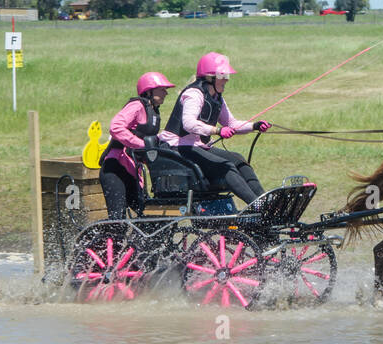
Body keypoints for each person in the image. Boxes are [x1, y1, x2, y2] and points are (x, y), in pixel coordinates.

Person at [158, 52, 271, 205]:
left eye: (227, 76)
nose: (226, 80)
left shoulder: (217, 98)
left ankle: (266, 203)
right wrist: (217, 131)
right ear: (210, 78)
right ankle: (257, 206)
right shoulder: (193, 94)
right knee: (226, 166)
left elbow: (231, 123)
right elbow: (189, 123)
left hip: (197, 146)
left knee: (239, 160)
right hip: (178, 146)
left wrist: (255, 126)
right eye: (222, 76)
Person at [100, 72, 175, 219]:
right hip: (115, 169)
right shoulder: (137, 105)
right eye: (162, 89)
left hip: (132, 172)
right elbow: (116, 127)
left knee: (148, 214)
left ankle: (141, 241)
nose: (166, 92)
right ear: (148, 91)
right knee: (118, 219)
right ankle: (105, 240)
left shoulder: (153, 112)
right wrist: (142, 145)